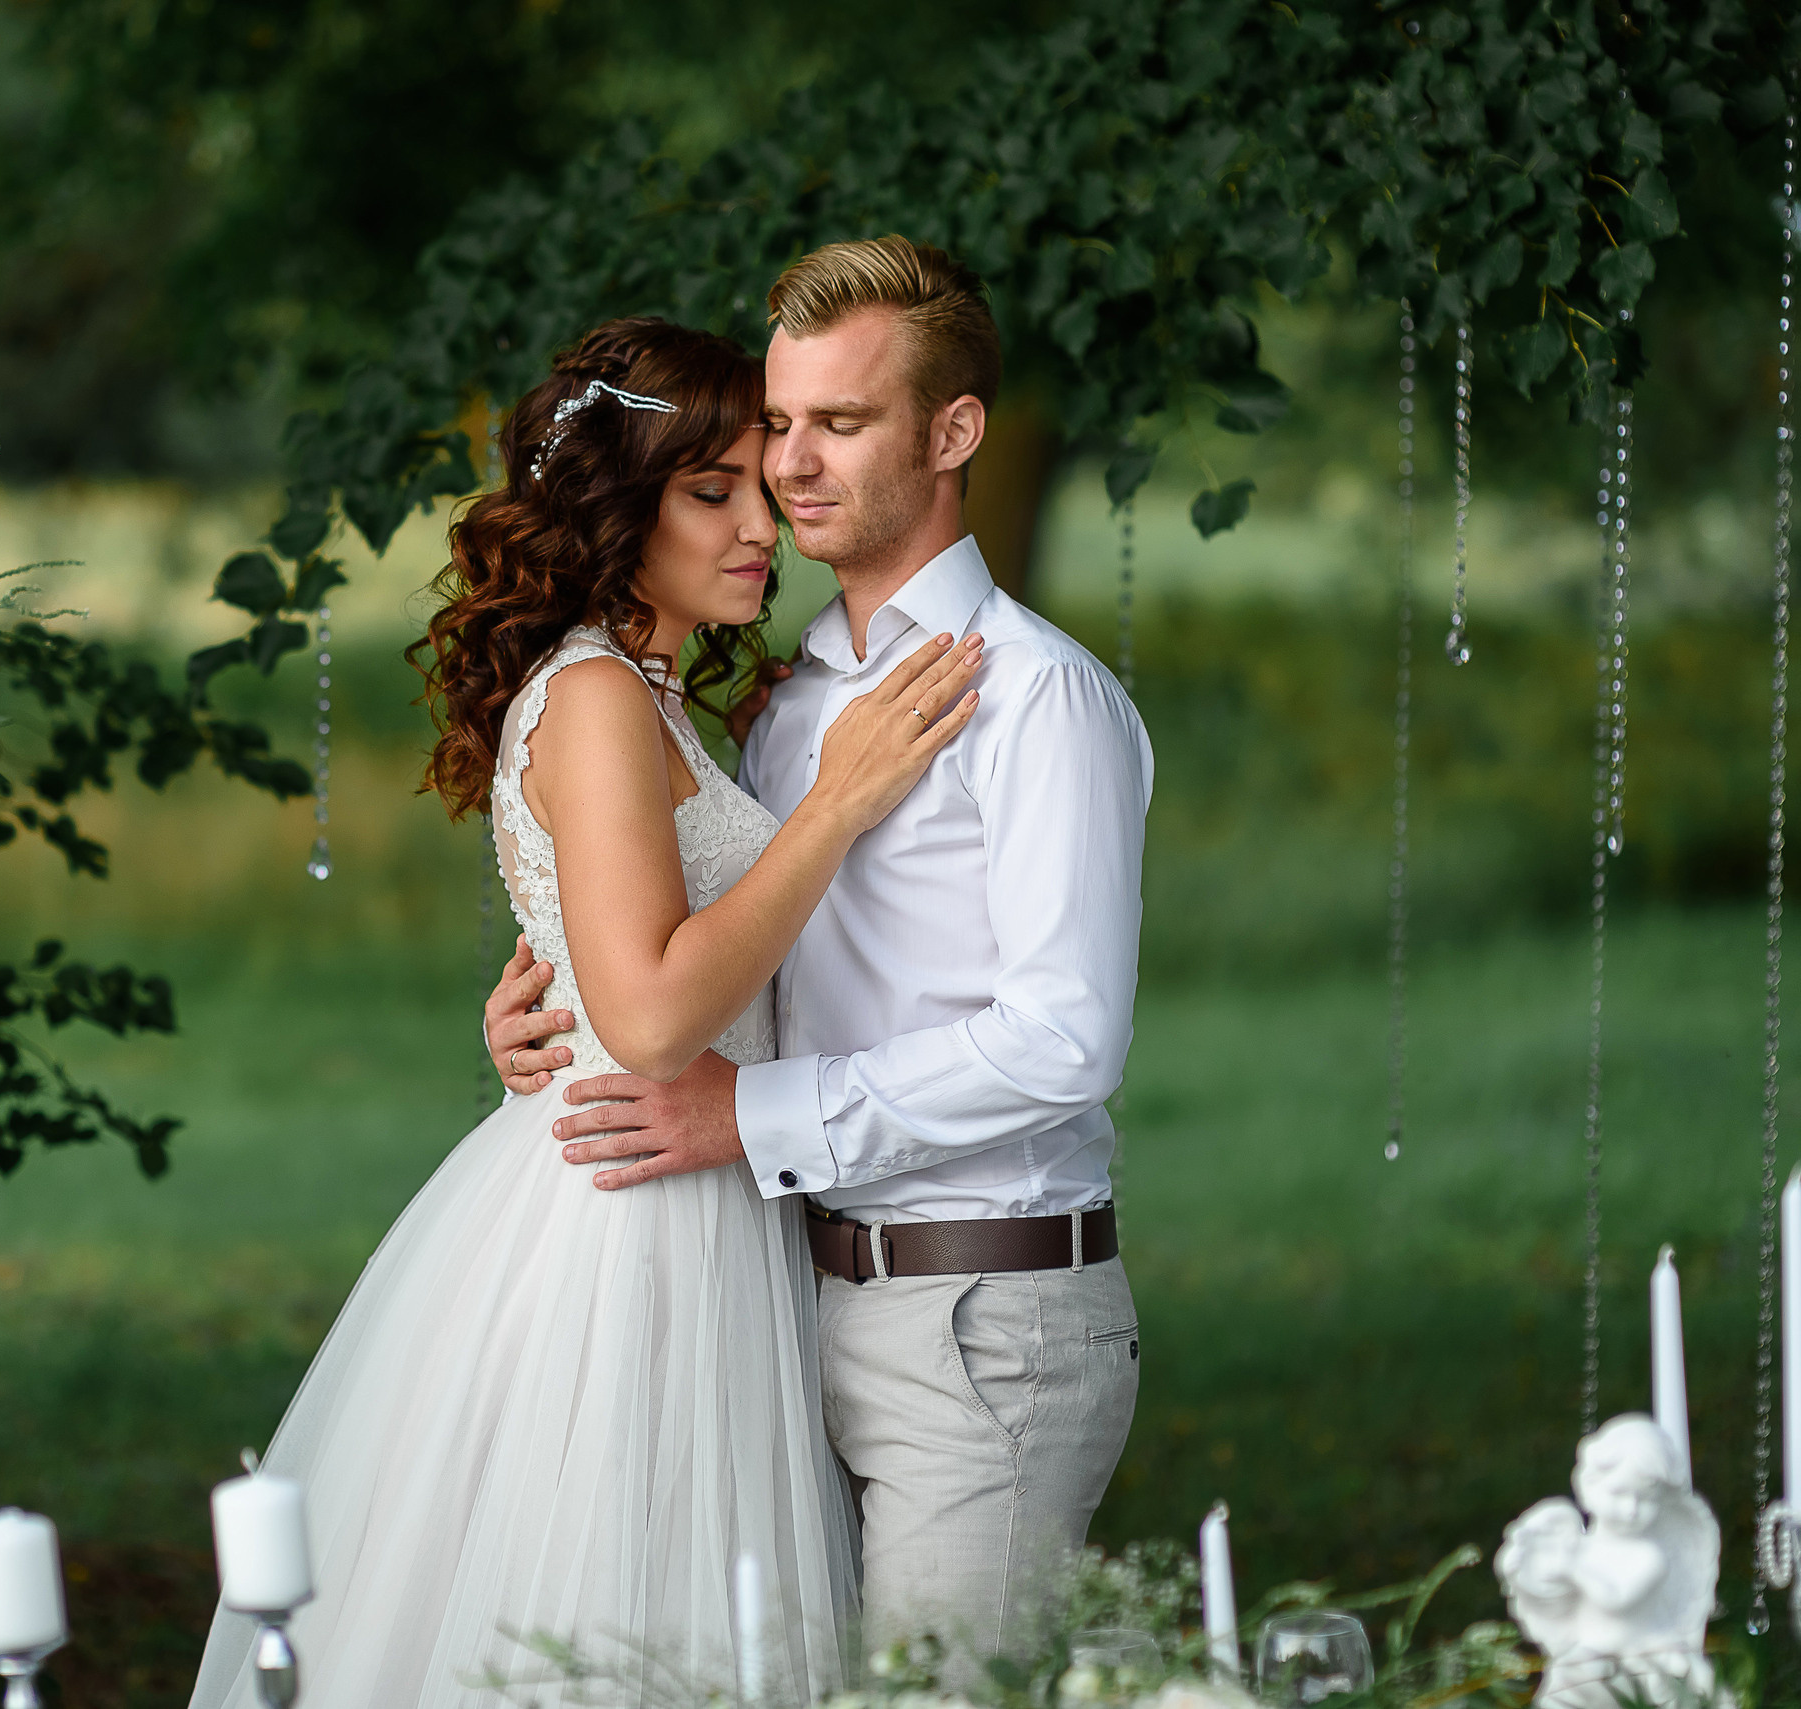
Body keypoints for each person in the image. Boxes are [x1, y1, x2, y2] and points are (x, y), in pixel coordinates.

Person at [186, 315, 983, 1708]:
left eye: (762, 486)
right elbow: (660, 1010)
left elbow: (612, 948)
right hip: (631, 1224)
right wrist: (843, 800)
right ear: (621, 505)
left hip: (685, 1184)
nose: (760, 528)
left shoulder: (650, 691)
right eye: (711, 490)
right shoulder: (603, 692)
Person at [486, 237, 1151, 1668]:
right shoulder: (793, 709)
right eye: (776, 425)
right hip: (781, 1300)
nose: (791, 466)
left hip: (985, 1318)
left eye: (838, 423)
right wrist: (565, 1000)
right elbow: (729, 955)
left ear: (953, 431)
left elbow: (1065, 1037)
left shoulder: (1041, 701)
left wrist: (745, 1113)